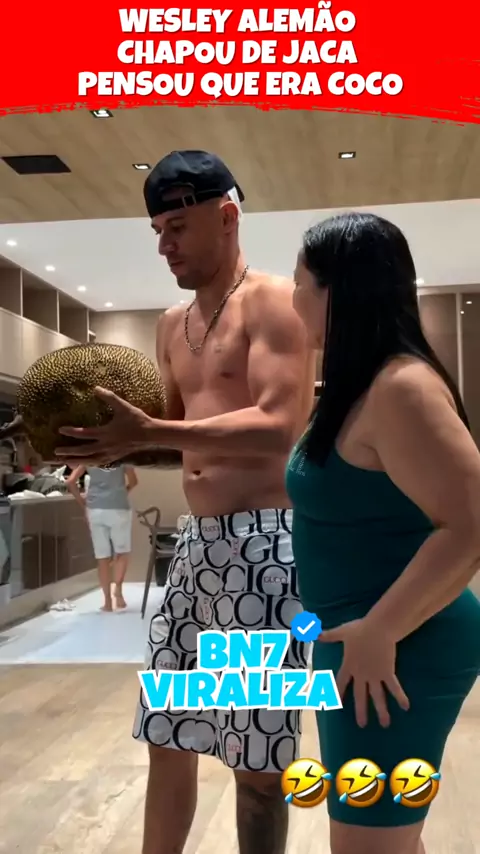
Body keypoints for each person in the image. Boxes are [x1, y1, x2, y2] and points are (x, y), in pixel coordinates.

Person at [55, 150, 317, 854]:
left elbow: (279, 426)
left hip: (267, 549)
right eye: (157, 232)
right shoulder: (172, 324)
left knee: (257, 762)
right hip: (198, 548)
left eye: (176, 227)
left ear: (226, 217)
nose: (164, 245)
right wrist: (101, 446)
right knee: (168, 735)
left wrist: (150, 432)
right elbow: (168, 436)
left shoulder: (274, 303)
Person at [286, 211, 480, 854]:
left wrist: (380, 630)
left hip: (397, 649)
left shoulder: (402, 388)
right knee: (384, 839)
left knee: (368, 845)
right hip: (364, 645)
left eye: (299, 284)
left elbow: (471, 525)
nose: (292, 299)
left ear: (336, 292)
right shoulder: (360, 388)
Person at [66, 464, 138, 611]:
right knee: (122, 552)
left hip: (95, 509)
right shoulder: (122, 456)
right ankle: (118, 590)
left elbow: (70, 481)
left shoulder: (90, 457)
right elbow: (134, 481)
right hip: (119, 508)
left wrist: (83, 503)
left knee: (102, 557)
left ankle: (107, 602)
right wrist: (123, 492)